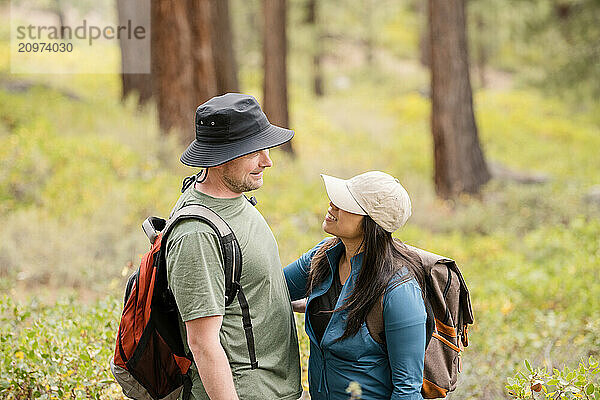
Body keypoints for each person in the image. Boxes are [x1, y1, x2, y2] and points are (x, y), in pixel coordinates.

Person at [166, 93, 302, 400]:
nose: (268, 161)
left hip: (274, 389)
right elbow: (202, 343)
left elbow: (239, 290)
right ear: (221, 156)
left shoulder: (234, 197)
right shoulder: (197, 235)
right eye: (254, 151)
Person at [284, 171, 427, 400]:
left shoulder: (399, 290)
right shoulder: (324, 256)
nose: (332, 204)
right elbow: (271, 288)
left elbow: (407, 388)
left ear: (372, 223)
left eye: (346, 203)